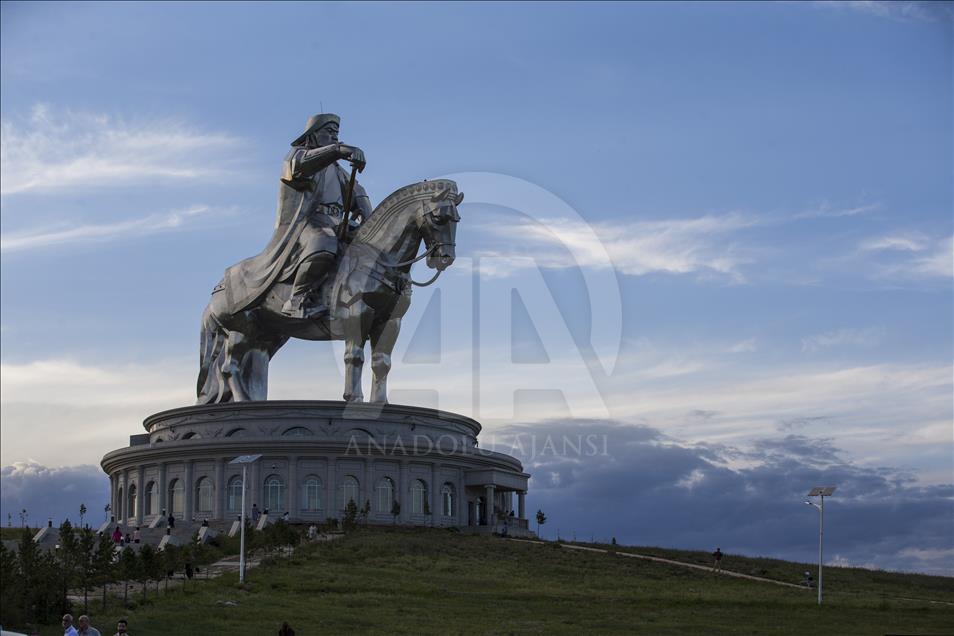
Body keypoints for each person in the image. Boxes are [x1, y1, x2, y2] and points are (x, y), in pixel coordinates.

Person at [221, 113, 371, 319]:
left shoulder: (337, 170)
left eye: (337, 133)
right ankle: (297, 300)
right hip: (307, 223)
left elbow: (356, 191)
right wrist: (338, 150)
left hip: (338, 222)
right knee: (323, 243)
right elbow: (301, 167)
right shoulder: (296, 156)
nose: (335, 137)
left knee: (372, 247)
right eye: (329, 132)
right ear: (314, 135)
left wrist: (367, 211)